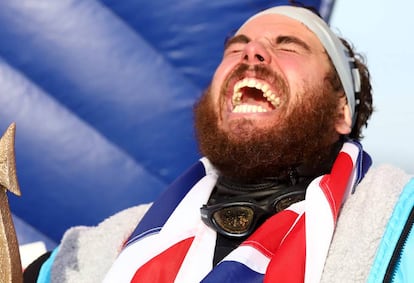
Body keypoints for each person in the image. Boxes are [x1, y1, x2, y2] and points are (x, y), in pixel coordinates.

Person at [25, 5, 414, 283]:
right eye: (235, 48)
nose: (252, 53)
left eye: (288, 46)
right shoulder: (100, 249)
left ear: (341, 111)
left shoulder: (400, 228)